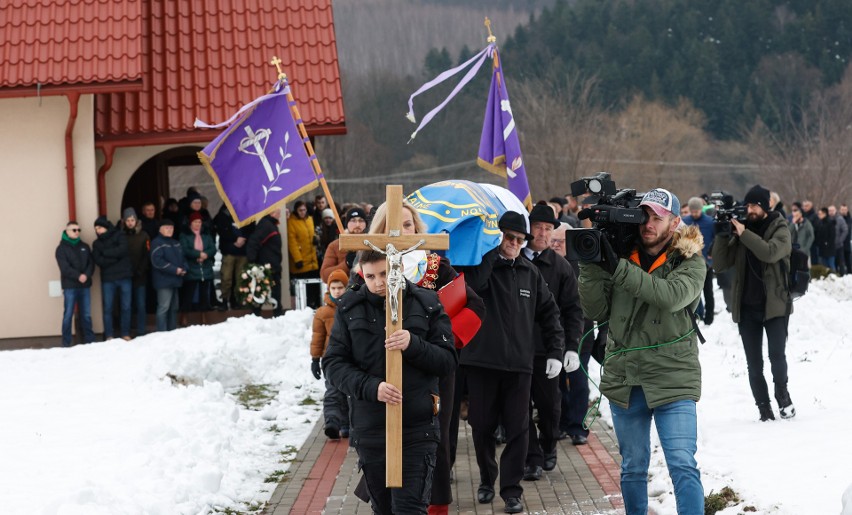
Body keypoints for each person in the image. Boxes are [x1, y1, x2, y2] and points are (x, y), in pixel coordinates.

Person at [579, 188, 706, 515]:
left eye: (657, 218)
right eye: (644, 215)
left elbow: (669, 296)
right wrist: (592, 263)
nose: (648, 224)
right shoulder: (622, 253)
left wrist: (616, 267)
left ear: (675, 222)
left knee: (682, 464)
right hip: (627, 377)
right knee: (632, 467)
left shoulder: (690, 261)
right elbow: (596, 310)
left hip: (673, 378)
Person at [354, 200, 485, 515]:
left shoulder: (434, 265)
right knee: (384, 439)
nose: (401, 231)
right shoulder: (368, 270)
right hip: (383, 368)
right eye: (393, 225)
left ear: (417, 229)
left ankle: (435, 505)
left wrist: (439, 340)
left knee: (433, 439)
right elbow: (351, 314)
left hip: (431, 371)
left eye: (409, 224)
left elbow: (474, 305)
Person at [322, 250, 457, 515]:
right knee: (384, 510)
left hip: (417, 427)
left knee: (409, 509)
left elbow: (447, 361)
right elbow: (334, 365)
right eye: (370, 276)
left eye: (384, 274)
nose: (378, 282)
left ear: (397, 268)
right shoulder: (350, 307)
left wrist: (414, 344)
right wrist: (372, 387)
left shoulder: (425, 302)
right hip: (371, 428)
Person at [459, 211, 566, 514]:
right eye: (509, 238)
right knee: (481, 427)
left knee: (519, 428)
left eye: (520, 240)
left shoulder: (530, 272)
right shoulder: (480, 265)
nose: (515, 244)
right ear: (498, 236)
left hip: (520, 365)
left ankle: (511, 491)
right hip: (482, 363)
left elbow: (550, 314)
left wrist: (557, 352)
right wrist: (492, 255)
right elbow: (471, 289)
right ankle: (485, 478)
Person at [713, 184, 795, 422]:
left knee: (776, 356)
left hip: (775, 306)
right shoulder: (742, 229)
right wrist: (722, 234)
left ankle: (782, 395)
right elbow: (719, 264)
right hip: (747, 307)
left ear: (765, 206)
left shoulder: (780, 227)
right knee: (753, 363)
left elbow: (769, 252)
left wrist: (743, 233)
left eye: (753, 205)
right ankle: (763, 407)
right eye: (747, 205)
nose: (749, 209)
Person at [522, 204, 583, 480]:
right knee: (519, 409)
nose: (543, 234)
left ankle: (548, 445)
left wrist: (571, 347)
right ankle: (531, 457)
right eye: (538, 227)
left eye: (548, 229)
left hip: (548, 350)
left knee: (549, 406)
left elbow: (572, 309)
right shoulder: (514, 259)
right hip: (517, 350)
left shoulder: (561, 267)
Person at [311, 269, 351, 439]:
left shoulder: (352, 308)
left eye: (340, 287)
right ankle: (332, 422)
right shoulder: (322, 313)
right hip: (331, 359)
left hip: (350, 358)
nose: (337, 291)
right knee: (333, 392)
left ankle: (347, 424)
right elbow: (318, 337)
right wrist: (315, 359)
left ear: (346, 288)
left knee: (348, 392)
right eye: (333, 288)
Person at [92, 216, 133, 340]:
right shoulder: (96, 243)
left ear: (105, 227)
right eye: (96, 228)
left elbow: (123, 250)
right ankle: (109, 335)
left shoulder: (119, 235)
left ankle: (125, 333)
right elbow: (99, 260)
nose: (97, 230)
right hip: (108, 279)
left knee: (126, 306)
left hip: (124, 275)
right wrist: (115, 257)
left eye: (99, 227)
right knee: (108, 308)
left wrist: (106, 253)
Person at [55, 221, 96, 346]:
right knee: (68, 314)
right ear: (67, 231)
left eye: (79, 230)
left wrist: (86, 275)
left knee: (86, 314)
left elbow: (91, 263)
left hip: (84, 286)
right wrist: (78, 276)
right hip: (70, 286)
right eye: (74, 230)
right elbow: (65, 267)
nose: (77, 232)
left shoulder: (85, 246)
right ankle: (66, 343)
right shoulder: (61, 249)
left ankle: (90, 341)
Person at [150, 219, 187, 331]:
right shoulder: (156, 242)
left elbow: (183, 258)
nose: (169, 230)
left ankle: (172, 331)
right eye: (167, 227)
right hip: (163, 281)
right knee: (163, 307)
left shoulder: (176, 243)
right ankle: (162, 333)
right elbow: (157, 262)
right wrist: (174, 270)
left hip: (175, 280)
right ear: (160, 229)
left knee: (174, 307)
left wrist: (185, 268)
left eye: (171, 228)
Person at [683, 197, 716, 325]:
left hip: (707, 263)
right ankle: (695, 315)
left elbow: (716, 240)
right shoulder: (685, 222)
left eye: (697, 211)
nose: (695, 213)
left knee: (708, 291)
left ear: (701, 210)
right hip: (690, 262)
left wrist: (711, 254)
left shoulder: (710, 222)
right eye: (692, 211)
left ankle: (709, 318)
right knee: (693, 292)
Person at [179, 212, 217, 321]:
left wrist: (205, 255)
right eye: (195, 222)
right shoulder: (185, 235)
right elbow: (185, 249)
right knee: (189, 293)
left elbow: (212, 248)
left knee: (204, 294)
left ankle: (203, 315)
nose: (197, 224)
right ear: (191, 223)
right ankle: (184, 314)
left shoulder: (206, 234)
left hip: (205, 267)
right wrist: (198, 254)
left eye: (199, 222)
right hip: (192, 266)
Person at [246, 209, 284, 315]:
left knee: (272, 291)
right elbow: (254, 242)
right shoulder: (266, 225)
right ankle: (259, 314)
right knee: (263, 291)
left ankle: (276, 312)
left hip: (273, 264)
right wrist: (252, 261)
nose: (280, 214)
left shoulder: (271, 224)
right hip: (266, 266)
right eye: (278, 212)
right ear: (272, 213)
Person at [214, 204, 251, 311]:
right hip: (229, 250)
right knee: (226, 277)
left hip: (243, 251)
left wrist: (243, 238)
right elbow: (220, 229)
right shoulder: (224, 212)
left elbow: (252, 228)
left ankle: (238, 301)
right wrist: (235, 239)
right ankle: (224, 301)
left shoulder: (247, 211)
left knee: (240, 279)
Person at [122, 208, 150, 336]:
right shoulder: (120, 235)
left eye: (132, 220)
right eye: (127, 220)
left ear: (136, 221)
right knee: (126, 305)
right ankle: (126, 331)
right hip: (125, 275)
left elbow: (147, 255)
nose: (130, 223)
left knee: (141, 304)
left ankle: (141, 331)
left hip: (140, 275)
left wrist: (140, 270)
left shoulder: (144, 235)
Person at [320, 206, 367, 283]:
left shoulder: (372, 244)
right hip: (343, 291)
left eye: (361, 221)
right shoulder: (335, 245)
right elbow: (325, 276)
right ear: (347, 224)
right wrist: (346, 264)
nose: (357, 224)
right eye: (353, 221)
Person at [287, 200, 320, 305]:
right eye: (300, 210)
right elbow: (292, 243)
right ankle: (305, 304)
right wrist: (298, 259)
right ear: (296, 211)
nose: (302, 212)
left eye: (304, 210)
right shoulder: (291, 222)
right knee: (302, 286)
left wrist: (315, 238)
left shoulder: (310, 219)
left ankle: (314, 302)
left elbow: (312, 232)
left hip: (312, 259)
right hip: (301, 260)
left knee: (313, 285)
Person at [829, 205, 848, 275]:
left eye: (832, 211)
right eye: (829, 211)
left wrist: (840, 240)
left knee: (841, 261)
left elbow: (845, 230)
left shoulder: (840, 219)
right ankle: (834, 274)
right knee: (833, 262)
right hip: (830, 245)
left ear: (835, 211)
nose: (830, 212)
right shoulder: (828, 219)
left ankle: (842, 275)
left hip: (839, 244)